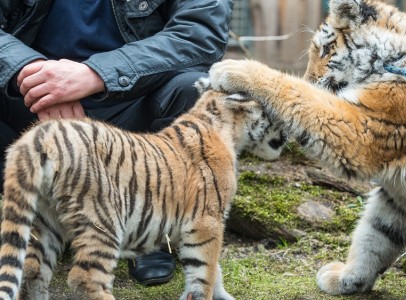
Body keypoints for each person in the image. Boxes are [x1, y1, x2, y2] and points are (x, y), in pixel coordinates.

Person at [0, 0, 233, 286]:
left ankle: (155, 234)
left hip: (135, 103)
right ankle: (29, 227)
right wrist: (30, 72)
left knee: (193, 90)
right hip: (25, 101)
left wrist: (96, 74)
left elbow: (200, 33)